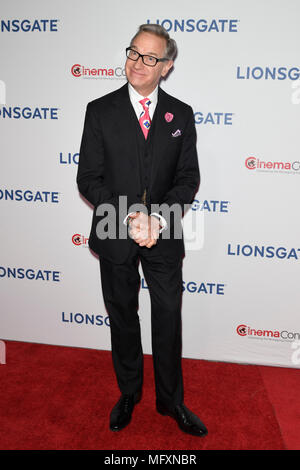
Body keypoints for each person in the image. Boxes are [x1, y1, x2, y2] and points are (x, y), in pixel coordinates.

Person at [77, 24, 207, 437]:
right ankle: (129, 392)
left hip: (164, 230)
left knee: (167, 315)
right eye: (134, 52)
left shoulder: (180, 114)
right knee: (123, 315)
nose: (138, 63)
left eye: (151, 57)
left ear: (166, 67)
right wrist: (134, 215)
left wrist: (158, 218)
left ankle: (172, 402)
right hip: (116, 227)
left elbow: (188, 179)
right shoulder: (99, 110)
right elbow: (89, 179)